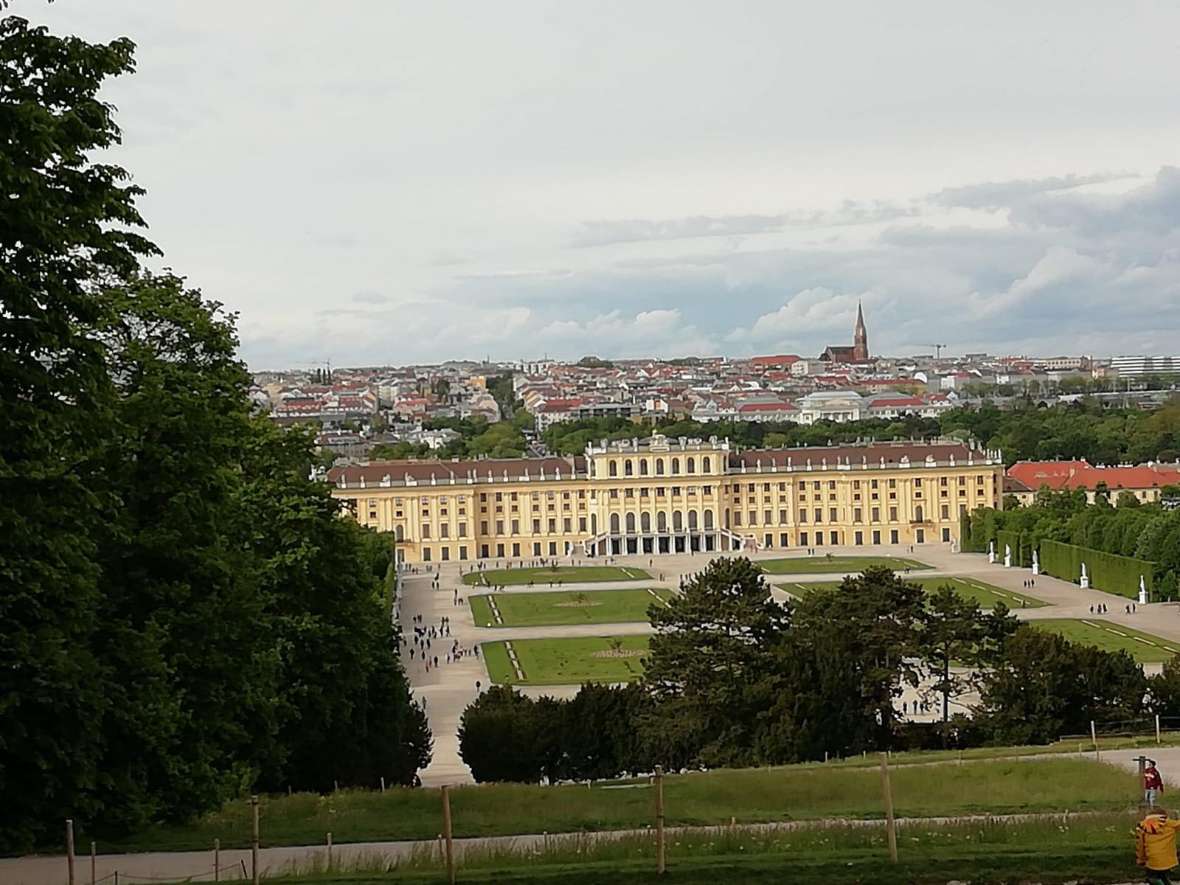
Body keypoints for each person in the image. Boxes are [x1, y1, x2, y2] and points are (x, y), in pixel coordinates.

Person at [1136, 807, 1180, 884]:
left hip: (1152, 860)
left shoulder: (1143, 827)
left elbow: (1140, 846)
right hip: (1167, 860)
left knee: (1152, 877)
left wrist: (1141, 859)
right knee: (1163, 876)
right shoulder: (1170, 824)